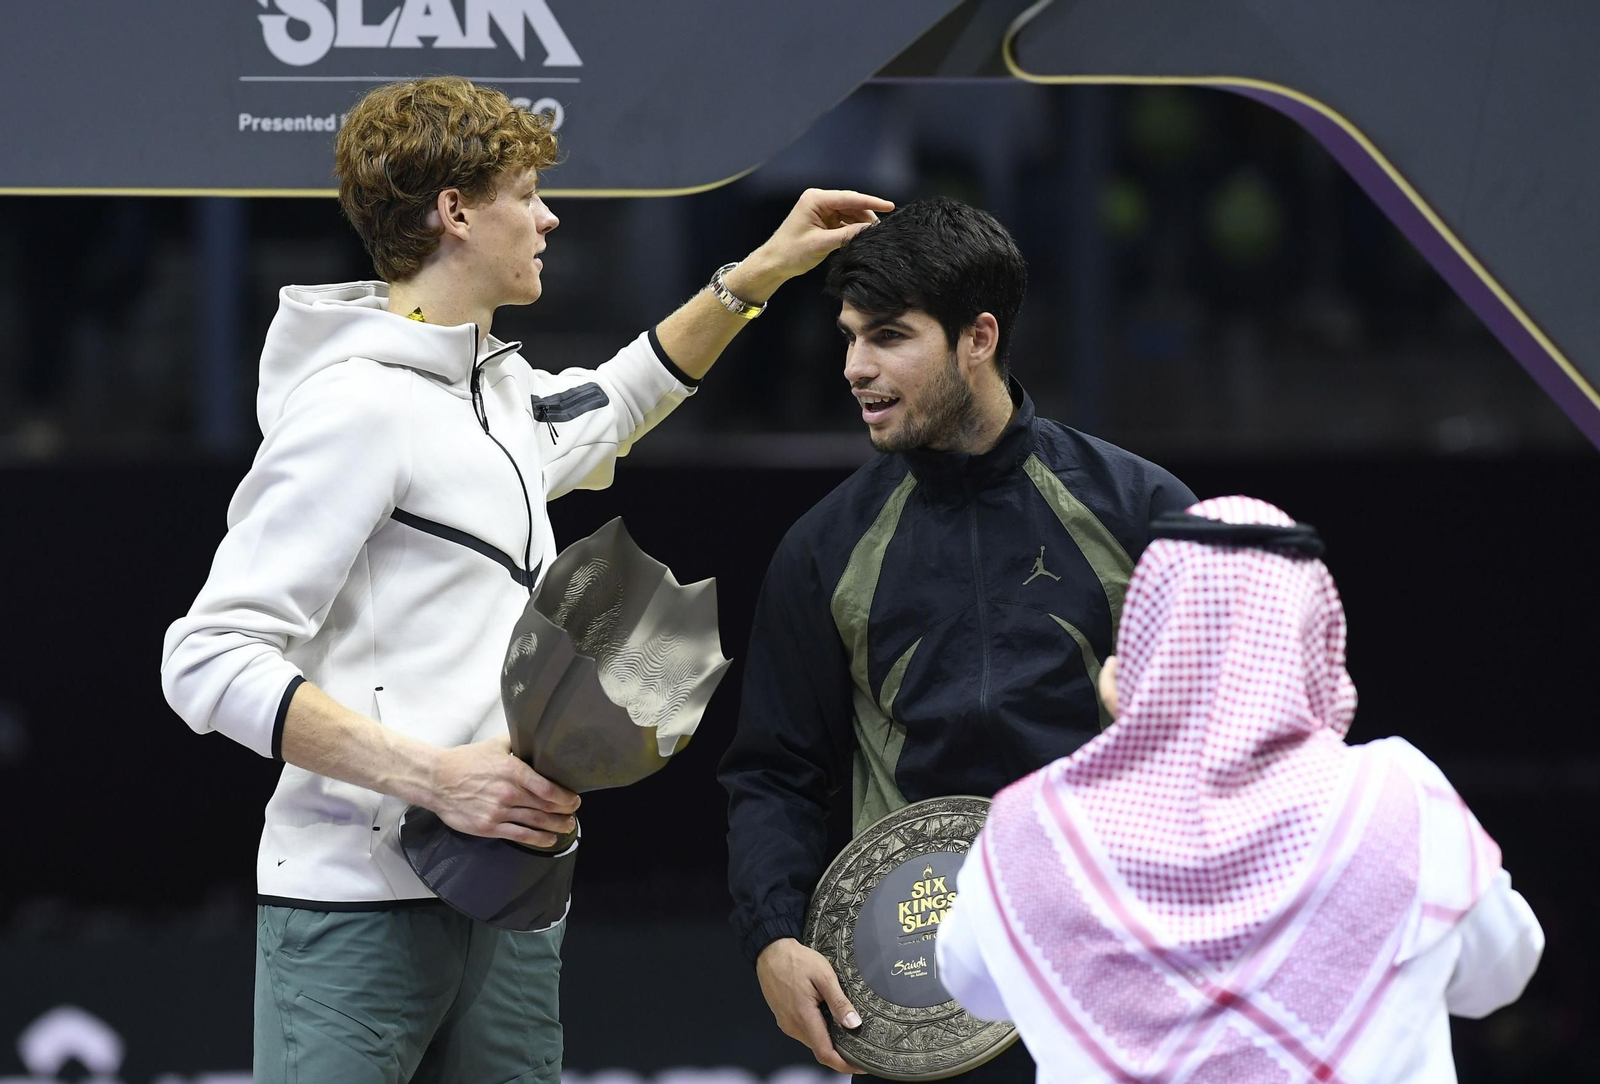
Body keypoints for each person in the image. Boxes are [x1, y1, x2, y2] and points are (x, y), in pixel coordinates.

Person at [159, 75, 891, 1084]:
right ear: (455, 214)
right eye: (527, 192)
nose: (549, 217)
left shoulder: (495, 396)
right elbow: (204, 658)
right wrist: (434, 776)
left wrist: (760, 270)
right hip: (352, 912)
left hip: (510, 902)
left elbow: (621, 395)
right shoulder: (354, 409)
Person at [717, 197, 1197, 1076]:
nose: (857, 367)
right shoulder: (824, 549)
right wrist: (773, 938)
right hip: (916, 986)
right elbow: (773, 771)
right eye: (850, 337)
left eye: (890, 336)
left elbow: (1230, 741)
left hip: (1120, 977)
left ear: (978, 337)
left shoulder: (1143, 512)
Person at [936, 496, 1544, 1084]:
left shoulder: (1032, 826)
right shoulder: (1401, 798)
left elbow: (971, 986)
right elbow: (1500, 974)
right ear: (1311, 642)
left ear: (1147, 645)